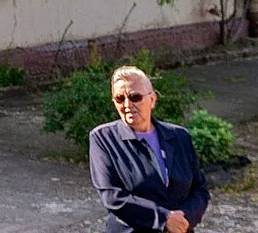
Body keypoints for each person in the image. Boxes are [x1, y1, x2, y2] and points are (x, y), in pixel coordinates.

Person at [87, 65, 209, 233]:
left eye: (135, 97)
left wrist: (185, 218)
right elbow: (112, 196)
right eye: (119, 99)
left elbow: (200, 189)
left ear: (152, 100)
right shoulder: (103, 138)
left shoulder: (179, 137)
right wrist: (164, 219)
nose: (127, 105)